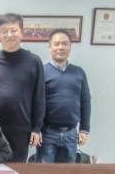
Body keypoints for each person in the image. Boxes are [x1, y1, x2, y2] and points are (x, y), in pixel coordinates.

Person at [0, 13, 45, 163]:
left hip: (20, 129)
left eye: (13, 30)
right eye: (4, 31)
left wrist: (36, 128)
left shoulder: (34, 61)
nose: (9, 35)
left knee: (16, 169)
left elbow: (39, 98)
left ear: (21, 32)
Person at [36, 29, 92, 163]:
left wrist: (84, 129)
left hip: (71, 134)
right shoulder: (42, 71)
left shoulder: (79, 72)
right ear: (50, 47)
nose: (60, 47)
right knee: (43, 173)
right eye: (56, 44)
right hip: (47, 133)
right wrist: (36, 129)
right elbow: (35, 103)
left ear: (70, 47)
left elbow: (86, 101)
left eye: (65, 44)